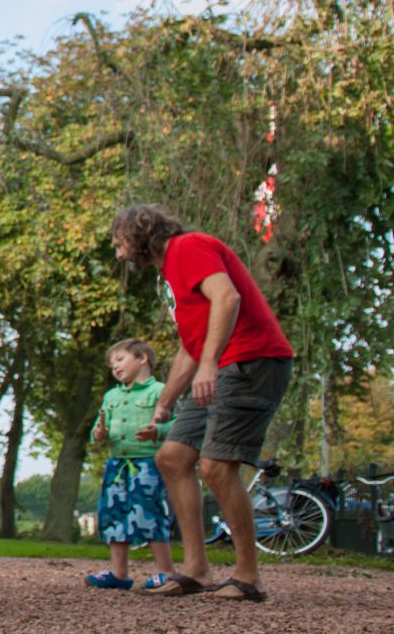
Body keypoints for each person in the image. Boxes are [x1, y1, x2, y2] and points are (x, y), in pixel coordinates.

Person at [111, 205, 294, 602]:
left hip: (251, 361)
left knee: (216, 465)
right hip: (219, 363)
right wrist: (165, 402)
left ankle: (248, 577)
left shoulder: (188, 247)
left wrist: (210, 363)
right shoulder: (170, 274)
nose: (117, 251)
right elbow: (192, 347)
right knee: (172, 458)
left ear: (138, 232)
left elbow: (227, 299)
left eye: (118, 240)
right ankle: (195, 569)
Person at [83, 337, 177, 590]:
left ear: (142, 358)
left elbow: (177, 424)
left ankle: (166, 572)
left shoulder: (160, 391)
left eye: (120, 359)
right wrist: (99, 434)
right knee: (113, 513)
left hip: (148, 464)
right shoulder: (112, 395)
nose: (115, 367)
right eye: (112, 364)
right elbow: (99, 429)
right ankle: (120, 573)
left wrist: (158, 431)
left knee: (149, 512)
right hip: (116, 464)